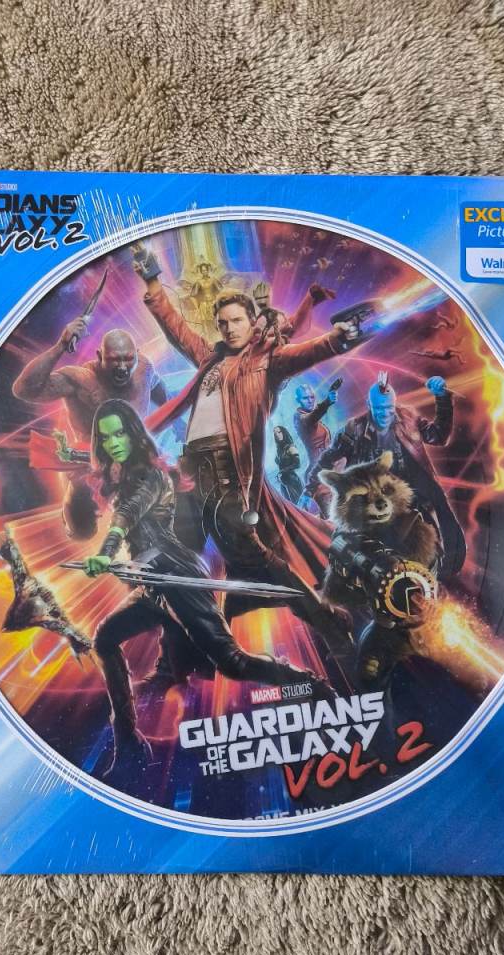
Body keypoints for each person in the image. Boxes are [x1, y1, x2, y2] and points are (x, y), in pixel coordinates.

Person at [132, 241, 370, 666]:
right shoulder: (209, 358)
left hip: (228, 468)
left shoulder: (265, 362)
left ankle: (329, 622)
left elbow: (308, 351)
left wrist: (339, 338)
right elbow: (175, 327)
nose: (229, 329)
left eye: (237, 321)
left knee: (254, 554)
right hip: (191, 470)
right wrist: (151, 279)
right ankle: (180, 655)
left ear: (251, 322)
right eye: (223, 323)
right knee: (178, 558)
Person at [82, 400, 325, 774]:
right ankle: (129, 744)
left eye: (119, 434)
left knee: (233, 663)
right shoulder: (123, 472)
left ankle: (308, 684)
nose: (113, 443)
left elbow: (126, 516)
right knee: (104, 639)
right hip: (153, 583)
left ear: (132, 433)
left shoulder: (150, 475)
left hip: (178, 578)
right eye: (105, 437)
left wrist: (105, 552)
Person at [13, 318, 167, 539]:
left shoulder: (144, 367)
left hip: (134, 463)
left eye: (128, 358)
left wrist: (175, 419)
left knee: (157, 518)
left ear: (137, 354)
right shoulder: (80, 380)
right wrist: (60, 346)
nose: (122, 367)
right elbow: (24, 390)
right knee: (81, 530)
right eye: (114, 360)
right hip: (89, 468)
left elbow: (156, 386)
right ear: (99, 356)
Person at [305, 371, 466, 578]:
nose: (385, 414)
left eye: (389, 408)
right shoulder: (354, 429)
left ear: (395, 404)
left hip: (412, 484)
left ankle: (447, 569)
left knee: (438, 517)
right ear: (369, 405)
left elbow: (438, 436)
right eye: (379, 409)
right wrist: (309, 490)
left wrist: (442, 399)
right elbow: (327, 459)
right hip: (374, 491)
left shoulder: (408, 417)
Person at [293, 380, 339, 517]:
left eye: (312, 397)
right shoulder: (301, 419)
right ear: (298, 400)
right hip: (318, 476)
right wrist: (327, 402)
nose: (310, 400)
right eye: (305, 398)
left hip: (328, 471)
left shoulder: (313, 418)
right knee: (333, 518)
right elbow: (311, 418)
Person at [272, 426, 303, 503]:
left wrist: (282, 471)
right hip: (284, 482)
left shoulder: (291, 447)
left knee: (296, 504)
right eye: (275, 433)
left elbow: (297, 464)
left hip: (292, 481)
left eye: (279, 432)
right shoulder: (279, 450)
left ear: (284, 432)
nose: (277, 435)